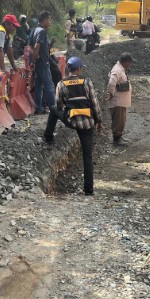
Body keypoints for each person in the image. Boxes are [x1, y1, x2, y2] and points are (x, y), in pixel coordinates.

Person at [42, 57, 102, 195]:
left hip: (71, 121)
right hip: (88, 123)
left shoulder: (61, 84)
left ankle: (48, 137)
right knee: (87, 157)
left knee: (52, 109)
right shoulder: (87, 82)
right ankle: (89, 190)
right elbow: (95, 103)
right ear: (79, 69)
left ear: (68, 69)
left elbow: (58, 104)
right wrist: (99, 121)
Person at [30, 11, 55, 114]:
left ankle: (38, 108)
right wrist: (34, 61)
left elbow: (33, 47)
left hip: (38, 63)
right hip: (43, 64)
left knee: (39, 86)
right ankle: (54, 108)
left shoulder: (34, 30)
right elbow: (36, 47)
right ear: (44, 20)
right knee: (49, 86)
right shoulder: (42, 32)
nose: (50, 22)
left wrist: (33, 61)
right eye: (49, 20)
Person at [107, 52, 134, 146]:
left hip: (121, 101)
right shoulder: (117, 70)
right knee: (118, 121)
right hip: (118, 101)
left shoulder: (120, 69)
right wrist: (111, 93)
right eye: (129, 63)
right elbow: (111, 83)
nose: (130, 65)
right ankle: (116, 140)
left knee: (121, 121)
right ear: (125, 62)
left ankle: (119, 137)